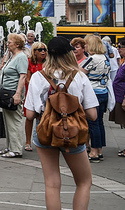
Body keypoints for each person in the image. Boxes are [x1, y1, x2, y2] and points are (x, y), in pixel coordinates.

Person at [25, 36, 98, 210]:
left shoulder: (37, 76)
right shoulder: (79, 76)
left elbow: (29, 114)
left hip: (45, 132)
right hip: (72, 131)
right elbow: (93, 114)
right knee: (84, 181)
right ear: (69, 54)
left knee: (52, 183)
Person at [80, 35, 111, 162]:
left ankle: (94, 151)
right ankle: (99, 150)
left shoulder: (92, 59)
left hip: (93, 93)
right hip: (103, 92)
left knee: (92, 123)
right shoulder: (104, 57)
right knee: (99, 122)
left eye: (86, 44)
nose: (85, 47)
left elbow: (79, 72)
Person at [0, 33, 28, 158]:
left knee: (15, 120)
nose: (7, 44)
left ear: (17, 44)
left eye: (9, 42)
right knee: (8, 120)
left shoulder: (21, 57)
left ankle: (16, 149)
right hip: (7, 92)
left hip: (13, 93)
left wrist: (17, 94)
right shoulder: (13, 56)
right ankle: (10, 146)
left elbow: (23, 76)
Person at [23, 41, 47, 152]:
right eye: (40, 50)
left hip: (45, 94)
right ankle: (28, 141)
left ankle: (42, 139)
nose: (43, 52)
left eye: (44, 50)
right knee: (30, 117)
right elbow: (27, 79)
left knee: (43, 117)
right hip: (32, 93)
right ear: (34, 51)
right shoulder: (29, 62)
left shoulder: (48, 63)